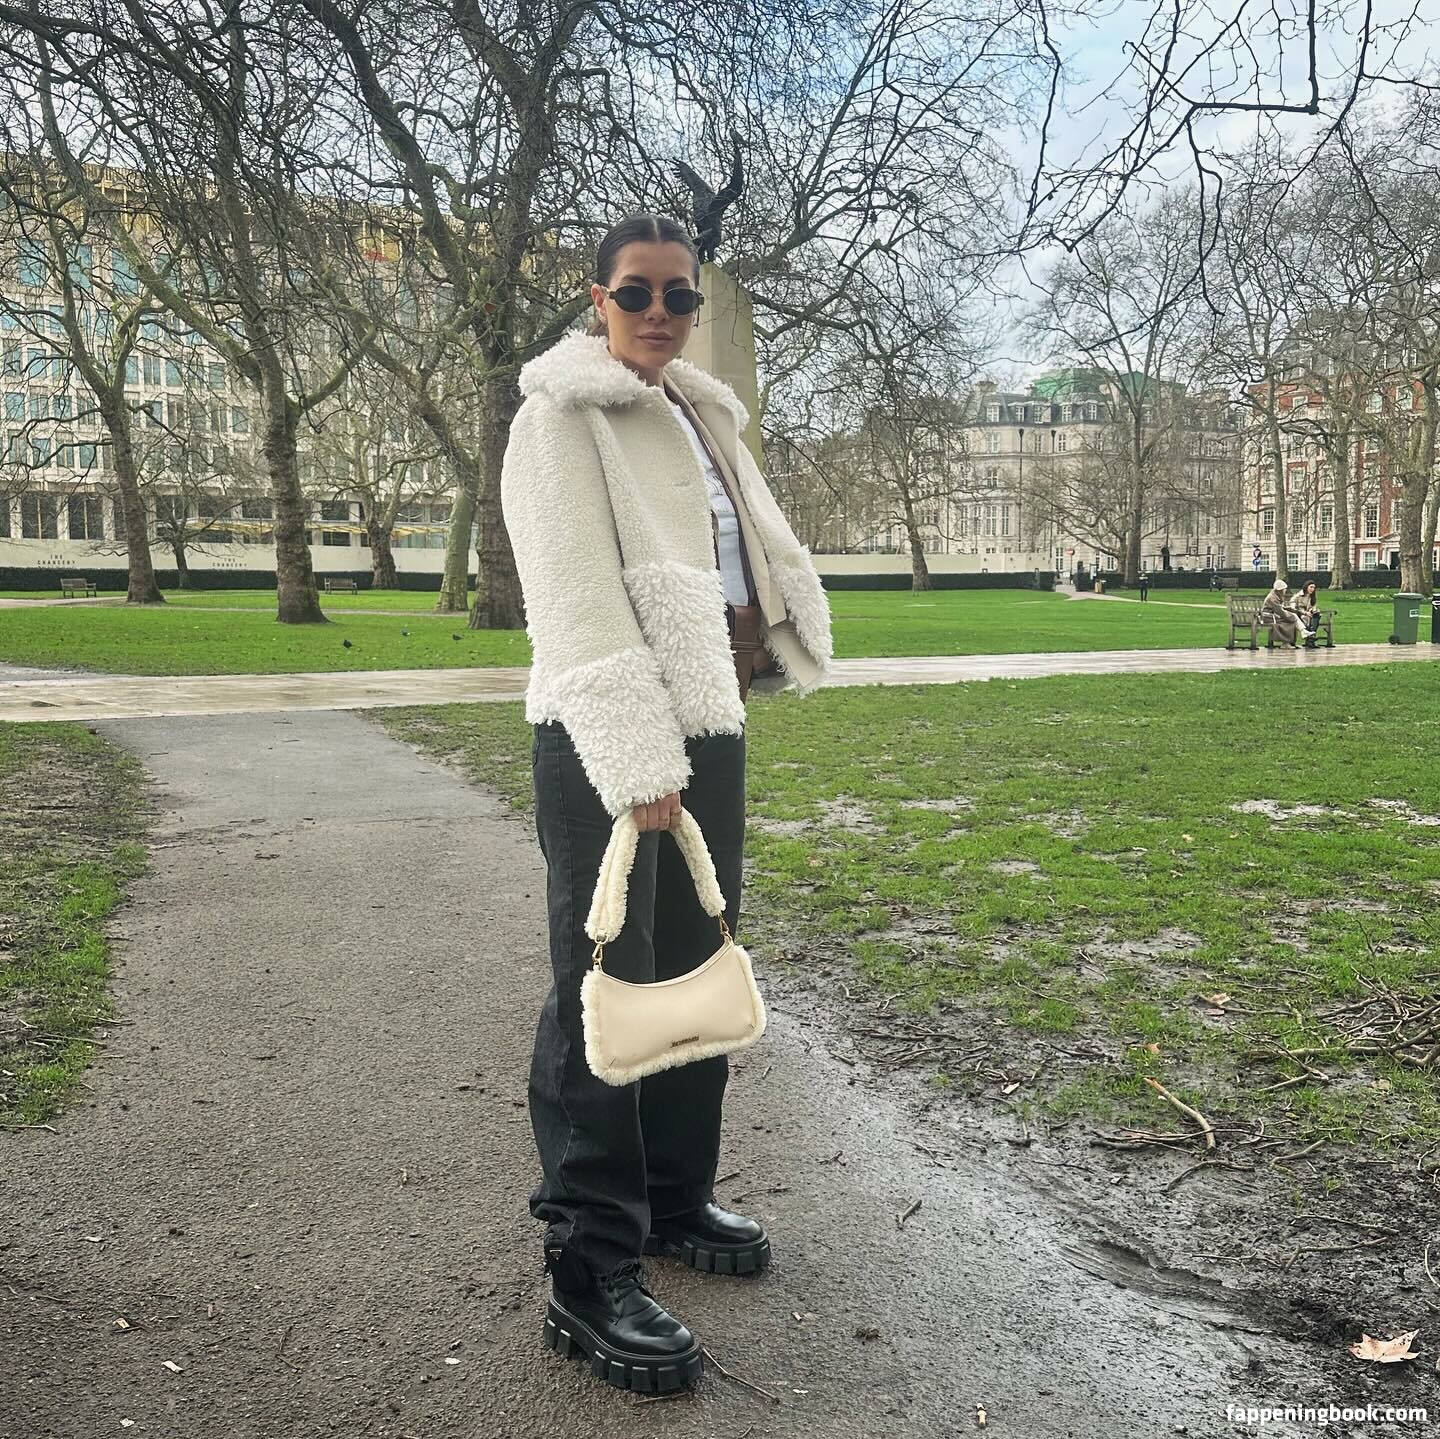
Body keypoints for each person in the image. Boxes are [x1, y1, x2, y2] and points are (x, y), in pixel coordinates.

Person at [500, 213, 833, 1394]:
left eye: (678, 295)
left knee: (696, 958)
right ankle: (588, 1262)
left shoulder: (699, 408)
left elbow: (740, 554)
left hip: (707, 716)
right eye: (635, 292)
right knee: (608, 977)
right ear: (596, 298)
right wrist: (639, 760)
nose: (658, 312)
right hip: (607, 735)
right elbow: (576, 602)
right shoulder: (560, 417)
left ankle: (677, 1192)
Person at [1261, 578, 1304, 647]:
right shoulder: (1272, 598)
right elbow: (1280, 611)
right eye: (1284, 589)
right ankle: (1286, 643)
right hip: (1269, 617)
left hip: (1274, 616)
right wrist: (1290, 617)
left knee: (1292, 620)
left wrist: (1290, 612)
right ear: (1280, 590)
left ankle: (1290, 642)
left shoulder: (1276, 596)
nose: (1285, 590)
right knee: (1289, 622)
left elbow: (1280, 608)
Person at [1293, 580, 1321, 646]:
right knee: (1308, 618)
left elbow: (1313, 606)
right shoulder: (1298, 596)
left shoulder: (1312, 597)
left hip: (1310, 614)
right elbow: (1294, 608)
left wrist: (1313, 610)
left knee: (1316, 615)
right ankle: (1311, 640)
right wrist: (1305, 613)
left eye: (1314, 588)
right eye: (1311, 587)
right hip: (1299, 615)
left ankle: (1310, 638)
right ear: (1306, 587)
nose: (1312, 589)